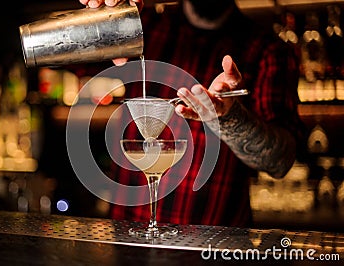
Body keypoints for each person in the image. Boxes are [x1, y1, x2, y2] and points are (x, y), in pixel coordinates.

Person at [75, 0, 306, 227]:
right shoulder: (144, 26)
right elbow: (68, 60)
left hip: (212, 247)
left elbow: (280, 162)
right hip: (126, 239)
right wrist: (94, 17)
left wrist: (229, 117)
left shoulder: (268, 49)